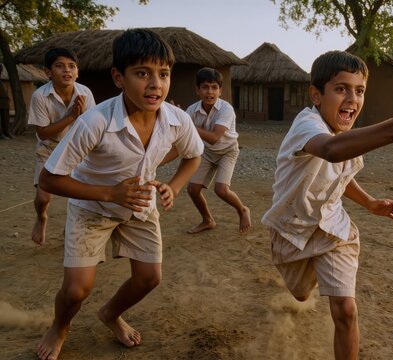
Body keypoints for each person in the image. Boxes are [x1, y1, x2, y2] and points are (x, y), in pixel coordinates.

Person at [261, 50, 393, 359]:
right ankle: (304, 282)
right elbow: (331, 151)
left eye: (359, 90)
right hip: (291, 229)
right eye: (341, 89)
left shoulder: (349, 137)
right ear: (316, 95)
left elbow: (340, 176)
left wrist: (370, 203)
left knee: (346, 311)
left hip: (334, 231)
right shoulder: (307, 126)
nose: (352, 98)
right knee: (299, 293)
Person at [35, 29, 203, 360]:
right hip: (91, 205)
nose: (156, 84)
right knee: (75, 290)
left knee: (149, 278)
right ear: (118, 77)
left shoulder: (177, 121)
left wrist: (175, 185)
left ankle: (110, 314)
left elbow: (193, 155)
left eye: (163, 74)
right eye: (142, 73)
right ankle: (60, 327)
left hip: (139, 204)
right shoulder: (94, 122)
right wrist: (110, 193)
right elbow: (49, 179)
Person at [27, 48, 96, 245]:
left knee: (79, 196)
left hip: (78, 150)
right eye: (59, 66)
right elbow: (43, 133)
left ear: (77, 72)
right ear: (48, 72)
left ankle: (71, 229)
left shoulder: (85, 93)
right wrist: (72, 117)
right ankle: (41, 217)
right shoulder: (40, 96)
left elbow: (91, 126)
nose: (67, 70)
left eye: (71, 66)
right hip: (49, 149)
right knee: (43, 198)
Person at [183, 67, 251, 234]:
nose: (210, 92)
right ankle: (207, 220)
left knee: (221, 190)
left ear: (220, 91)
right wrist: (177, 117)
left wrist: (188, 125)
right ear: (197, 90)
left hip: (227, 151)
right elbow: (180, 132)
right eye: (205, 87)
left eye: (214, 87)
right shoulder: (191, 111)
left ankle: (242, 210)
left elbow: (214, 137)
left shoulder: (226, 109)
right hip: (206, 152)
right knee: (192, 189)